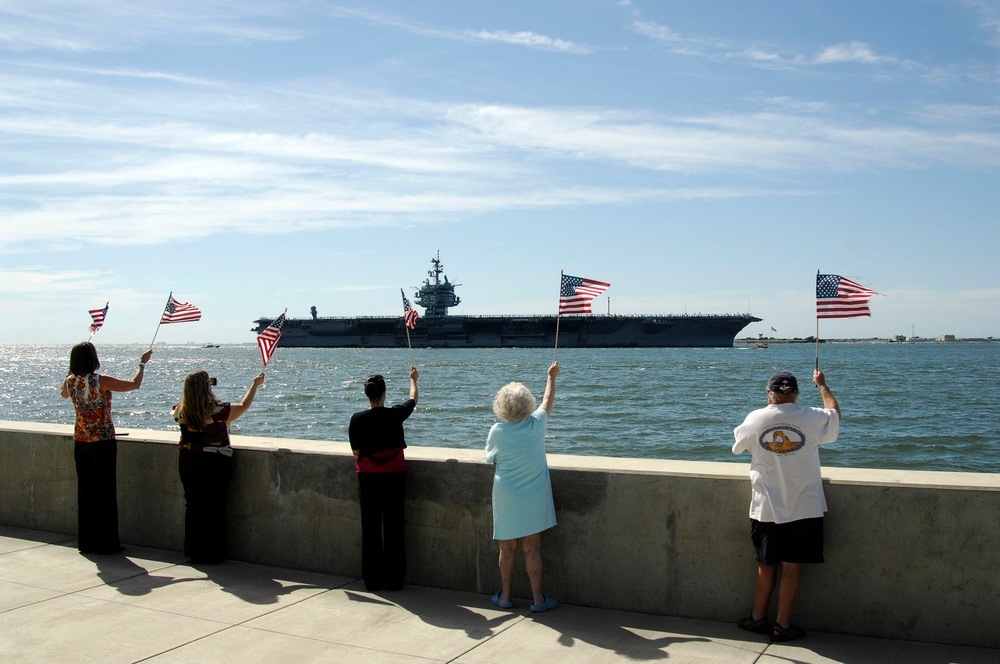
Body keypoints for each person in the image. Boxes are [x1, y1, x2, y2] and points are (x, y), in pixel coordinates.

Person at [733, 369, 841, 643]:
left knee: (765, 564)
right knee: (792, 568)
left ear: (769, 394)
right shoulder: (812, 415)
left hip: (766, 507)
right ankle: (782, 626)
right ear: (795, 393)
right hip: (805, 508)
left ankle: (757, 619)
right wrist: (823, 386)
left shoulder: (756, 417)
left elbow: (739, 446)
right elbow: (835, 416)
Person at [60, 342, 153, 554]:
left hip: (81, 440)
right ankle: (107, 543)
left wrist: (69, 373)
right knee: (105, 492)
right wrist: (141, 363)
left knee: (86, 493)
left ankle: (87, 542)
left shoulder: (70, 382)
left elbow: (63, 394)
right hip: (102, 441)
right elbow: (134, 384)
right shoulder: (100, 381)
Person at [485, 361, 560, 613]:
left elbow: (490, 458)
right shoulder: (537, 423)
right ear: (528, 402)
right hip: (534, 494)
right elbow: (548, 401)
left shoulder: (497, 430)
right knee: (532, 549)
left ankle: (505, 596)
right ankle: (538, 600)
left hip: (506, 494)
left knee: (507, 549)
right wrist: (551, 377)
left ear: (501, 406)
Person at [172, 370, 265, 564]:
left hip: (187, 459)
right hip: (214, 461)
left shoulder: (180, 409)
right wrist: (254, 385)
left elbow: (176, 413)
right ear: (205, 387)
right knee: (212, 506)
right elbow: (243, 407)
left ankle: (193, 550)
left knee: (193, 505)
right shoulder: (216, 409)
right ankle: (211, 552)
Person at [348, 366, 419, 591]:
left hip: (368, 479)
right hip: (395, 478)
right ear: (385, 393)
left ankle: (372, 579)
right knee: (394, 527)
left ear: (367, 394)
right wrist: (413, 380)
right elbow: (413, 400)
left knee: (370, 528)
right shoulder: (395, 414)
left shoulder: (357, 420)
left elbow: (356, 453)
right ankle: (395, 579)